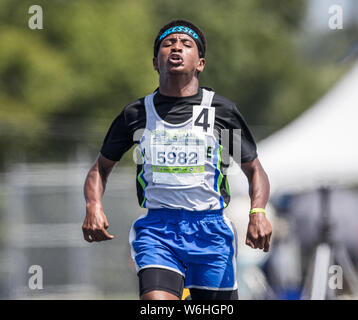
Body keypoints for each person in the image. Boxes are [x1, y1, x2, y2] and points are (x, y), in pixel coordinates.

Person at [82, 19, 272, 300]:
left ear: (201, 63)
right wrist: (93, 205)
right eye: (168, 44)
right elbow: (101, 167)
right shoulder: (137, 114)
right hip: (158, 231)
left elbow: (254, 170)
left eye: (187, 44)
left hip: (211, 231)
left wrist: (258, 212)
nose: (176, 48)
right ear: (155, 63)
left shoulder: (222, 112)